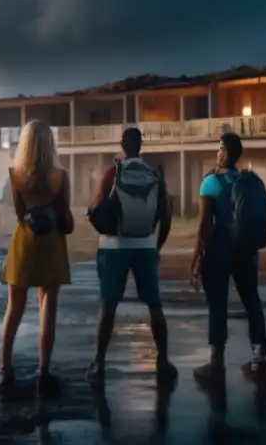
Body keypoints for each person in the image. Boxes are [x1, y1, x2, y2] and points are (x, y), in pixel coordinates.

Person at [87, 127, 176, 383]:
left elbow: (95, 206)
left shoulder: (113, 172)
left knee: (109, 306)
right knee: (154, 306)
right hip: (145, 246)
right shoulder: (155, 175)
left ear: (122, 146)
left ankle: (99, 362)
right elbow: (166, 218)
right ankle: (163, 360)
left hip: (114, 246)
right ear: (141, 146)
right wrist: (155, 247)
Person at [0, 119, 74, 396]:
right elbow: (66, 215)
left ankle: (4, 371)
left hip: (24, 241)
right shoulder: (59, 176)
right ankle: (43, 372)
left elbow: (19, 213)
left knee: (14, 308)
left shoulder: (14, 174)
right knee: (48, 308)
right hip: (51, 242)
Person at [190, 131, 266, 383]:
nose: (218, 152)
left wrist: (197, 256)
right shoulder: (247, 181)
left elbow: (204, 224)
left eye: (221, 148)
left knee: (217, 304)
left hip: (219, 247)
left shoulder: (210, 182)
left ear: (227, 152)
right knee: (251, 300)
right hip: (245, 248)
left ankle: (216, 363)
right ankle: (259, 356)